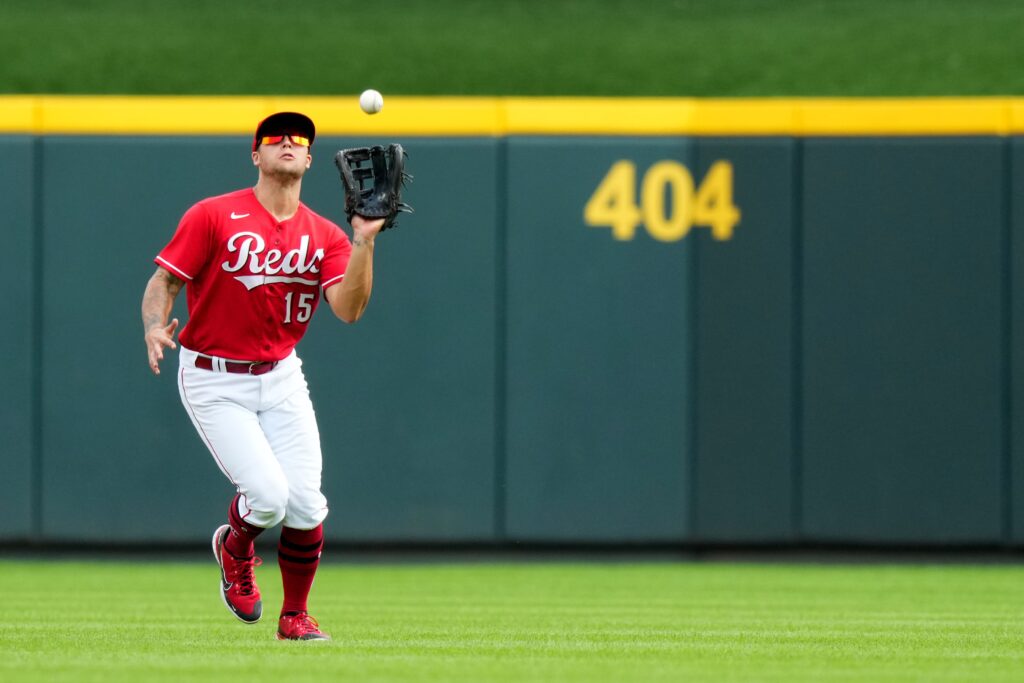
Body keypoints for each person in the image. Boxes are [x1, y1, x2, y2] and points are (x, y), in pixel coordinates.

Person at [141, 112, 385, 641]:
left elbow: (349, 309)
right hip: (213, 376)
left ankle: (294, 616)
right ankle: (234, 547)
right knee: (270, 498)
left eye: (300, 139)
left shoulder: (325, 234)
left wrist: (364, 241)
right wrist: (154, 326)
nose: (289, 143)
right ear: (256, 154)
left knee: (305, 502)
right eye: (275, 137)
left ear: (311, 159)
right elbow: (164, 280)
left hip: (280, 376)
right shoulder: (213, 214)